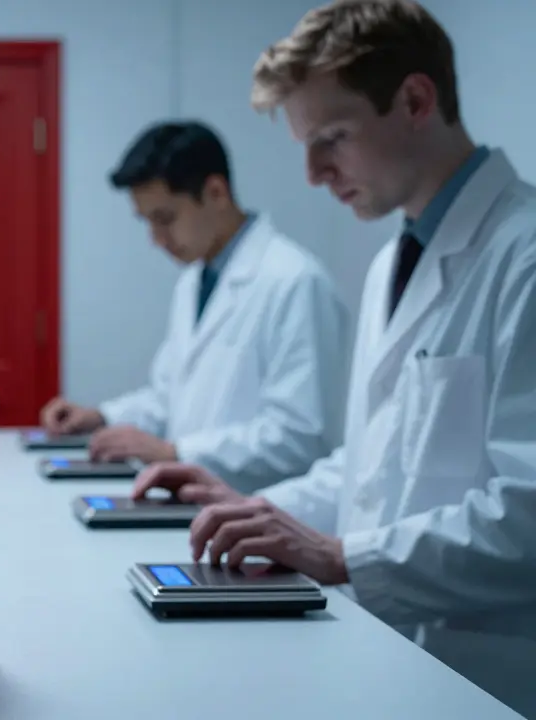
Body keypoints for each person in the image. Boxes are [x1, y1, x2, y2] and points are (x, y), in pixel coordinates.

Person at [132, 1, 536, 715]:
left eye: (333, 139)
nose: (315, 173)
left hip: (488, 673)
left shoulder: (524, 259)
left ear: (416, 100)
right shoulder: (393, 262)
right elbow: (373, 468)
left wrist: (345, 558)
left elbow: (527, 516)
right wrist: (251, 507)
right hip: (387, 655)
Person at [40, 121, 349, 493]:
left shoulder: (295, 281)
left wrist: (176, 452)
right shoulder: (194, 280)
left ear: (216, 192)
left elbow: (300, 437)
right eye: (147, 222)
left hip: (261, 513)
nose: (156, 239)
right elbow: (171, 396)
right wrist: (102, 417)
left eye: (165, 218)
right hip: (197, 507)